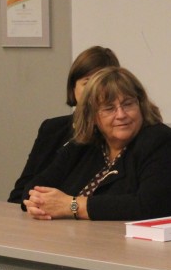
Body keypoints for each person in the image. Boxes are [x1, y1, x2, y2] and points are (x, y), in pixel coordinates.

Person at [22, 66, 171, 220]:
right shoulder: (83, 145)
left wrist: (72, 205)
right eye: (109, 108)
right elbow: (31, 191)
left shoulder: (163, 143)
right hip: (97, 242)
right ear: (92, 116)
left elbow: (147, 207)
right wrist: (39, 203)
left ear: (140, 105)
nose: (121, 115)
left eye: (128, 104)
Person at [7, 46, 120, 203]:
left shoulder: (113, 137)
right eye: (87, 83)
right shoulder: (51, 128)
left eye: (101, 83)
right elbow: (19, 194)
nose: (93, 92)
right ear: (73, 87)